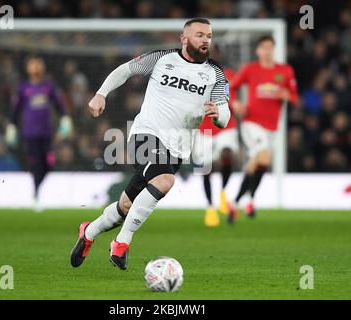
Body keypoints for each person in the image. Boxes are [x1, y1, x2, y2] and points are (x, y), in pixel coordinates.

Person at [70, 18, 230, 270]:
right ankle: (121, 243)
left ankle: (88, 232)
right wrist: (101, 93)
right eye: (199, 35)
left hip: (177, 149)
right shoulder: (162, 59)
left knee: (125, 206)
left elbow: (225, 112)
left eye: (209, 36)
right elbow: (125, 70)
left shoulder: (215, 74)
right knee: (164, 181)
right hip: (146, 134)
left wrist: (219, 116)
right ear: (184, 38)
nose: (205, 40)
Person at [230, 35, 299, 217]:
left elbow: (294, 97)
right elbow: (231, 88)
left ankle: (239, 201)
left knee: (258, 163)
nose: (267, 51)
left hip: (272, 127)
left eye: (270, 48)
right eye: (264, 48)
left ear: (274, 50)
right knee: (265, 158)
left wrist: (287, 95)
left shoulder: (285, 71)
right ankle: (247, 199)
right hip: (252, 122)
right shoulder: (250, 69)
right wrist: (235, 103)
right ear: (257, 50)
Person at [5, 57, 72, 211]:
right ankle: (36, 194)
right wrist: (12, 126)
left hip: (46, 133)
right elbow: (15, 110)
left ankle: (37, 190)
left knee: (48, 164)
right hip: (30, 134)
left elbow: (58, 104)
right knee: (36, 164)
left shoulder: (48, 87)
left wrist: (65, 119)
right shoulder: (23, 89)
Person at [193, 67, 239, 227]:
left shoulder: (230, 75)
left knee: (227, 154)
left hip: (225, 126)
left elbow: (232, 96)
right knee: (205, 169)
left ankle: (223, 192)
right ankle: (210, 208)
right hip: (204, 128)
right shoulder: (193, 73)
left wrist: (236, 103)